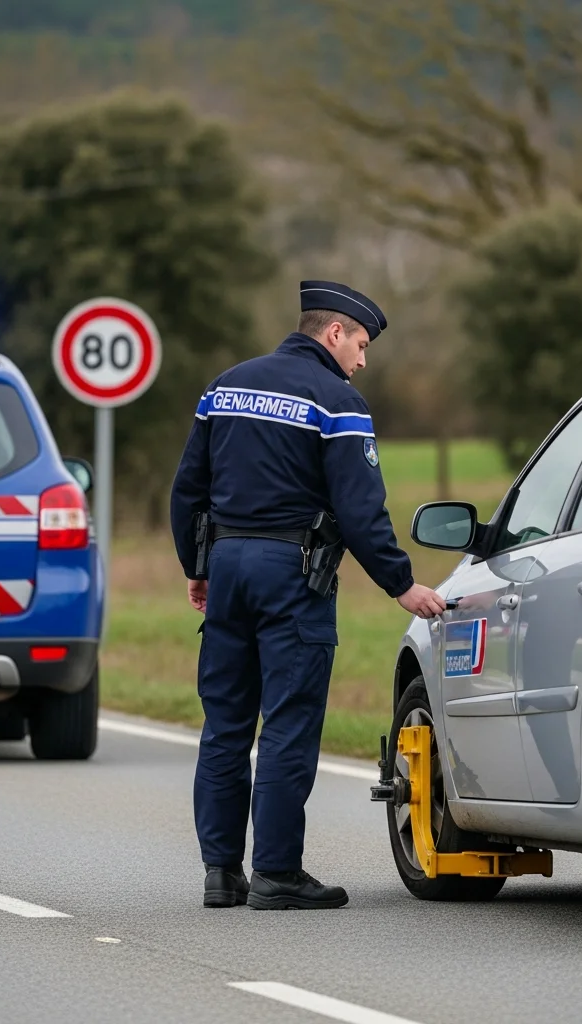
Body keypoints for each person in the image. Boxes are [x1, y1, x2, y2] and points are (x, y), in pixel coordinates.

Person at [169, 280, 446, 911]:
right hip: (292, 574)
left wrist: (197, 564)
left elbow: (188, 488)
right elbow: (359, 508)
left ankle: (221, 873)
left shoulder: (225, 385)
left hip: (229, 567)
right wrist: (400, 583)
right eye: (361, 344)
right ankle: (276, 873)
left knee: (226, 724)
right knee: (289, 724)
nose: (363, 359)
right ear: (333, 333)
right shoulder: (336, 400)